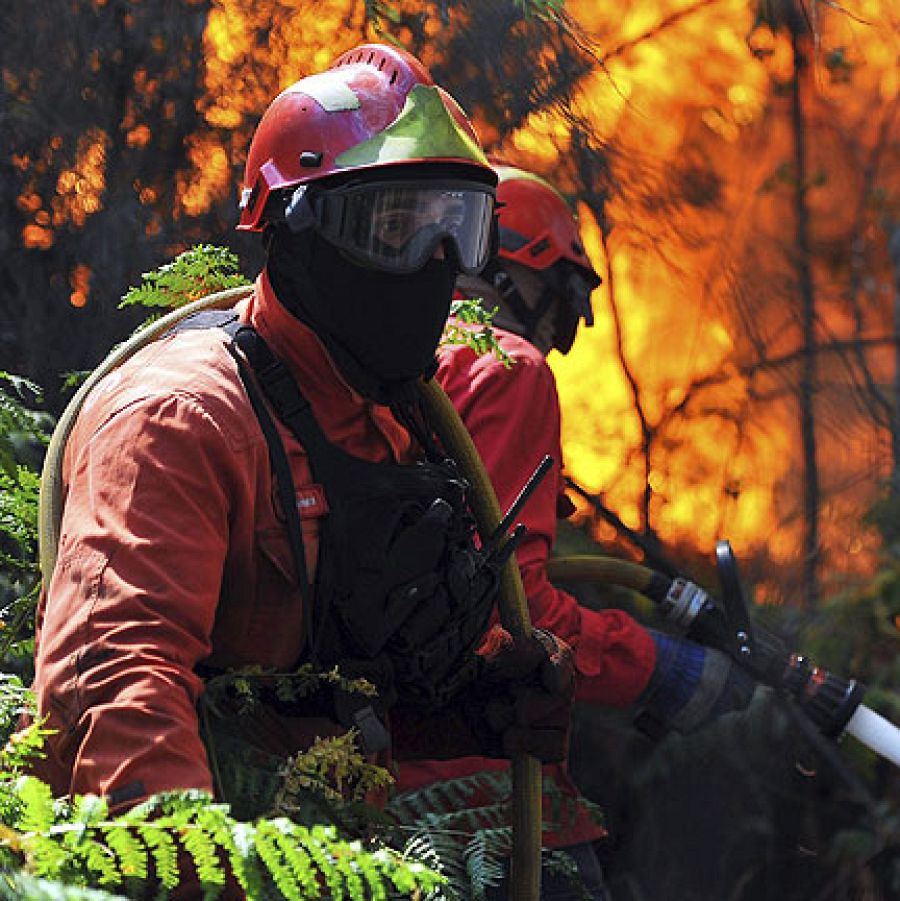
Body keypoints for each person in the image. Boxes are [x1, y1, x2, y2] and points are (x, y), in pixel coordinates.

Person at [28, 43, 571, 836]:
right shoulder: (181, 419)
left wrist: (473, 705)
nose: (435, 265)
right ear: (295, 228)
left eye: (455, 228)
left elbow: (311, 688)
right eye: (396, 227)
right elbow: (111, 692)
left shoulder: (392, 419)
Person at [414, 164, 757, 898]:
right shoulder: (508, 369)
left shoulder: (397, 354)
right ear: (514, 270)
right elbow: (515, 604)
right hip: (481, 788)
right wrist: (662, 668)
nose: (554, 330)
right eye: (559, 300)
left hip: (369, 775)